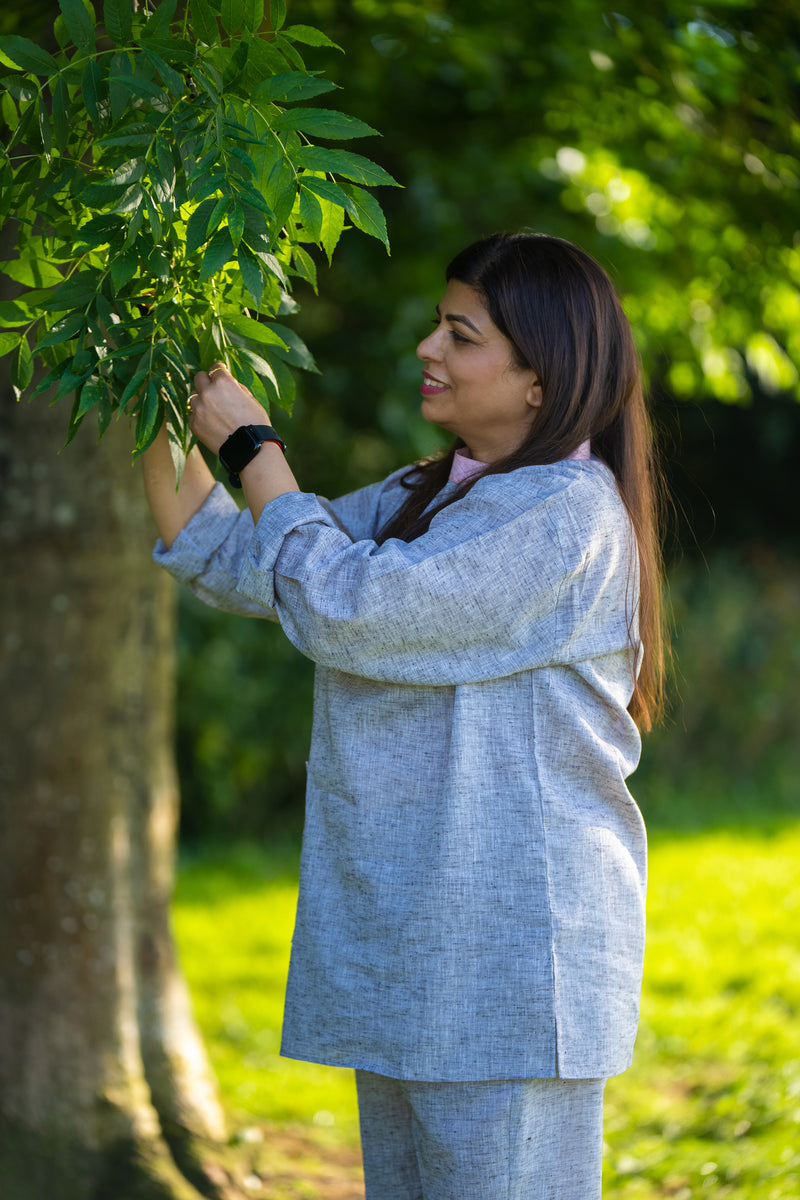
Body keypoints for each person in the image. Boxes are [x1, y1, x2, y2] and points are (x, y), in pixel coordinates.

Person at [143, 231, 666, 1200]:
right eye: (437, 325)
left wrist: (255, 447)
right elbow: (243, 556)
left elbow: (351, 605)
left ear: (538, 384)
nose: (428, 348)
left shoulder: (564, 514)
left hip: (507, 969)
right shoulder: (428, 494)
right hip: (410, 952)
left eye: (459, 334)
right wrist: (146, 378)